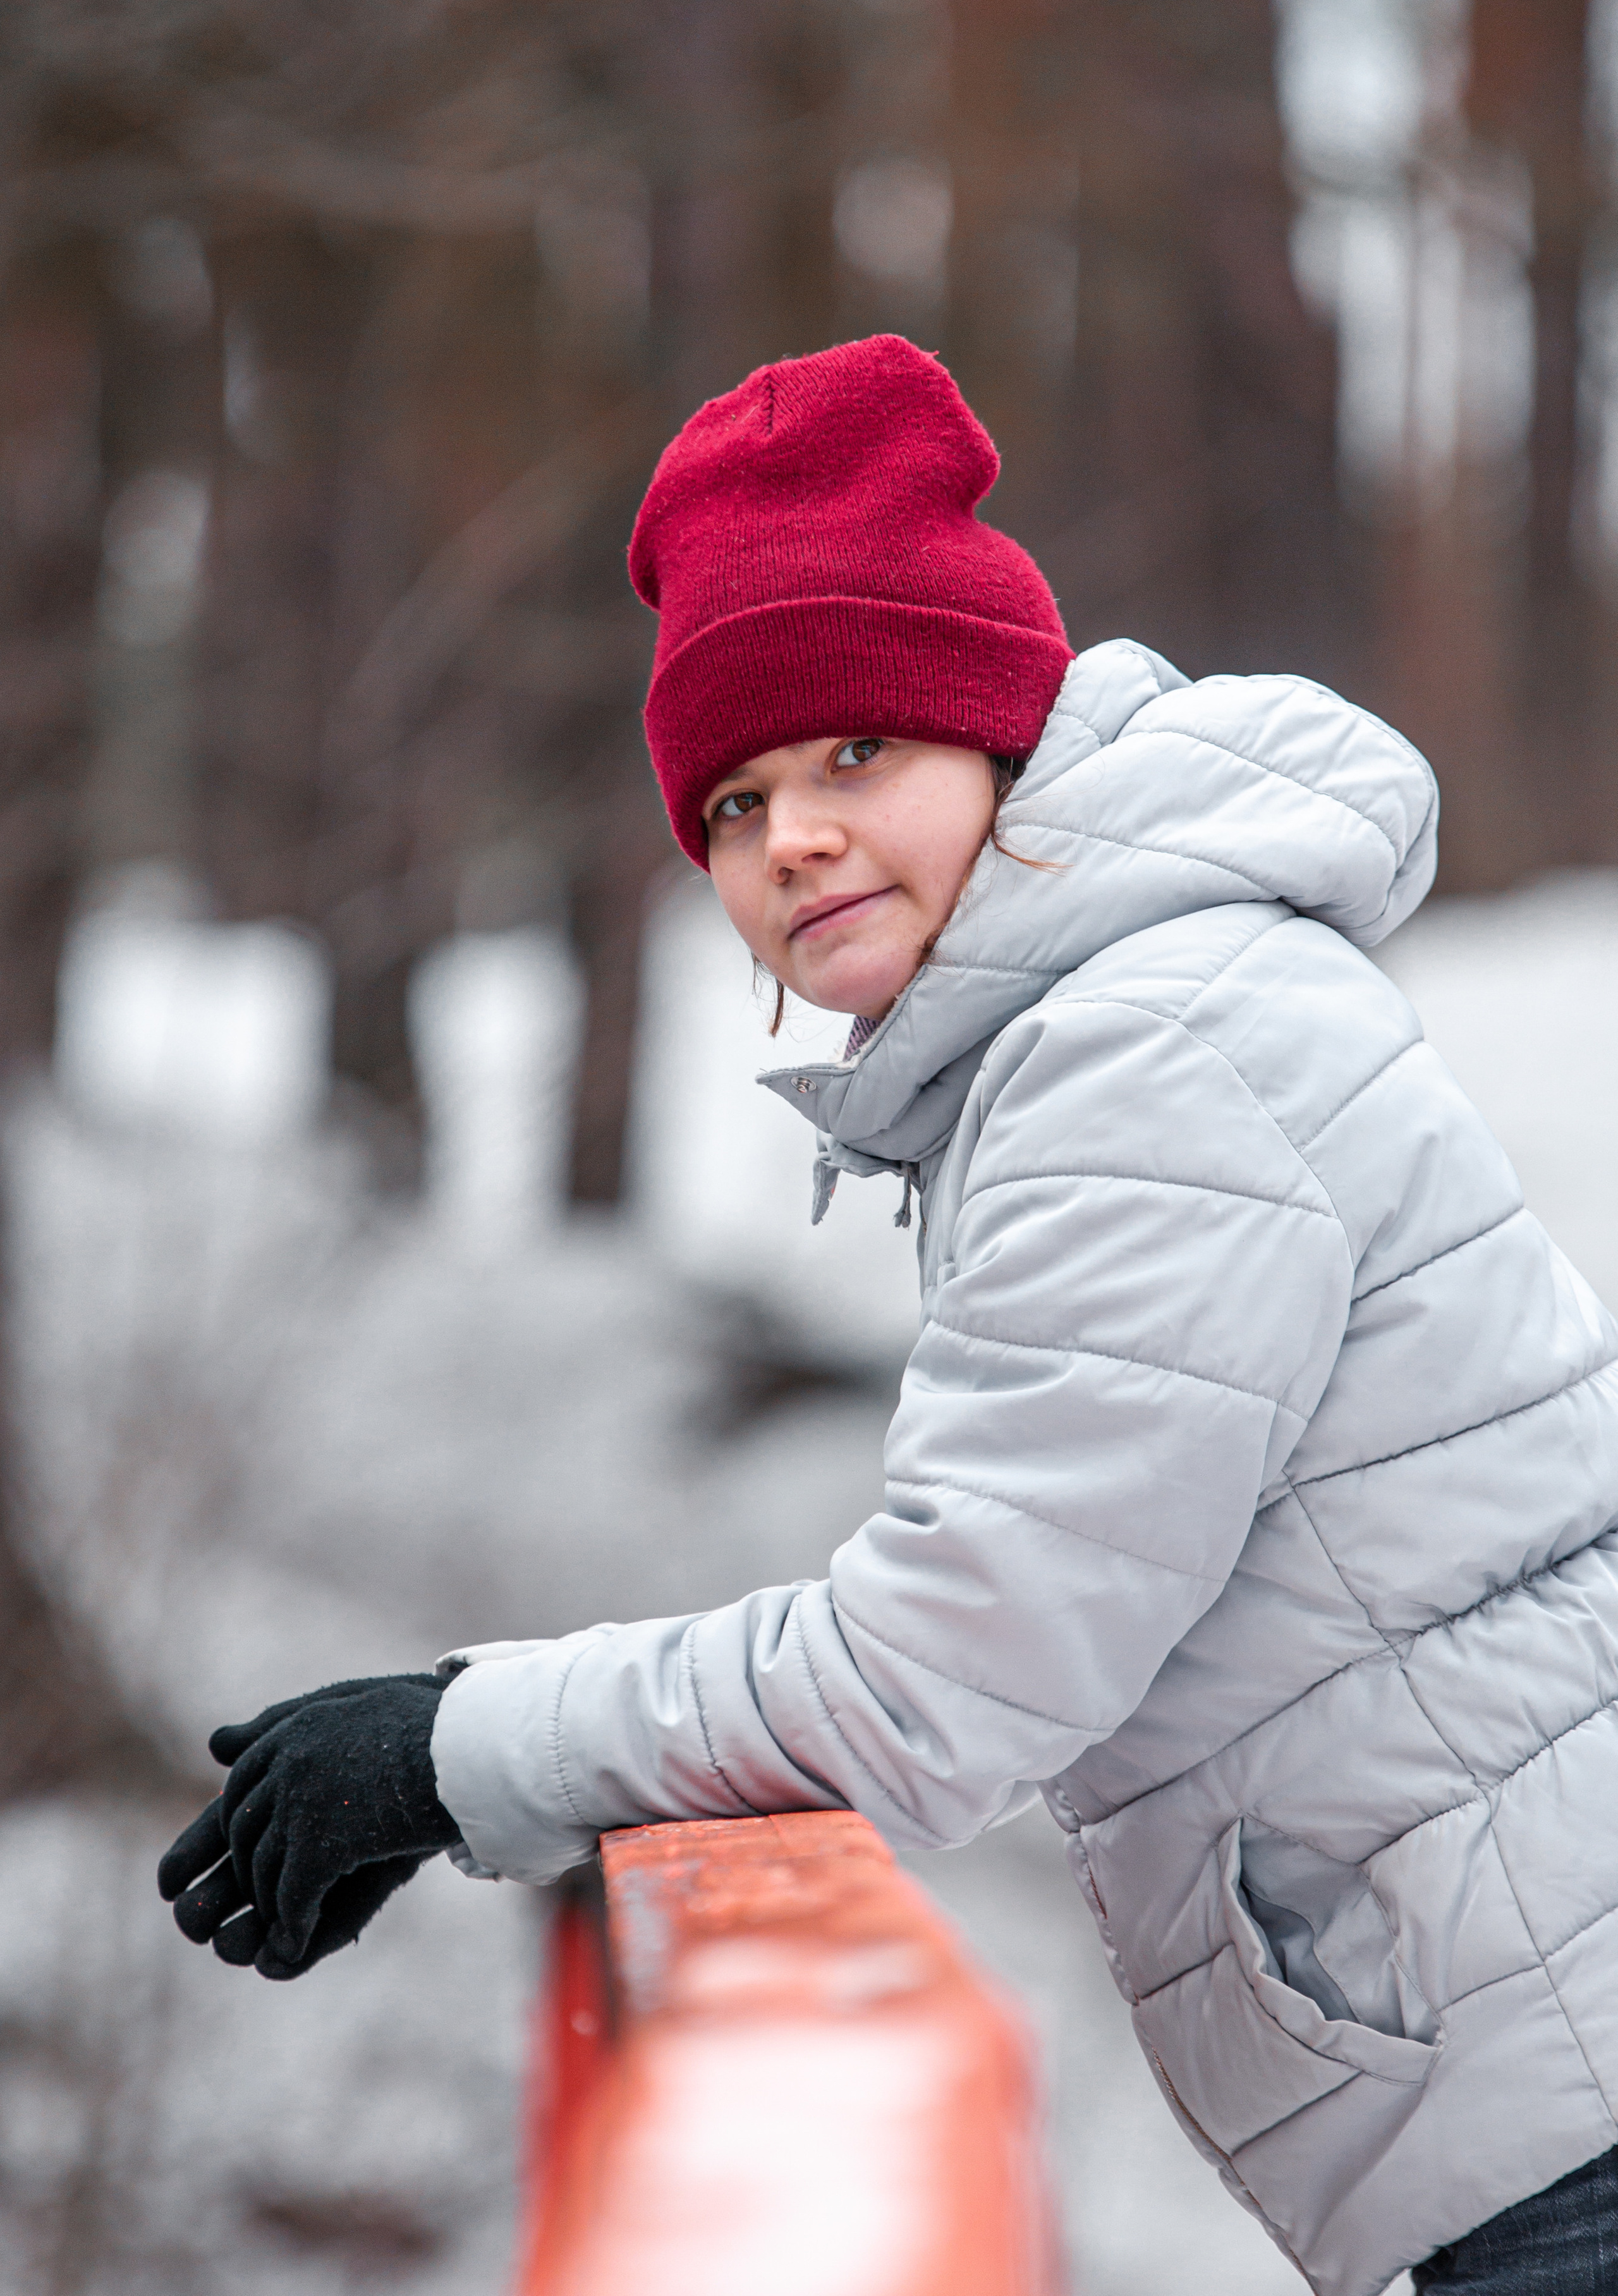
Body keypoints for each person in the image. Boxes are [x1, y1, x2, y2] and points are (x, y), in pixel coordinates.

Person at [160, 335, 1618, 2296]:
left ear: (997, 733)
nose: (797, 843)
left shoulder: (1144, 1056)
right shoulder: (1108, 1027)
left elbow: (947, 1668)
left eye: (860, 752)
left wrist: (456, 1744)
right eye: (739, 802)